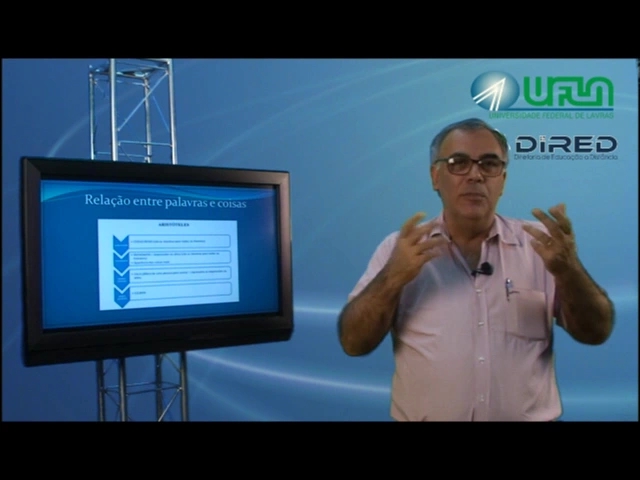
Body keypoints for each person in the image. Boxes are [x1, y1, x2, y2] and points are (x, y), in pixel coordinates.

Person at [337, 117, 615, 421]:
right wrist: (392, 278)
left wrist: (569, 271)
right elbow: (353, 343)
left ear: (502, 180)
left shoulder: (542, 247)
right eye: (458, 163)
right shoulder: (399, 249)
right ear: (435, 176)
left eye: (489, 164)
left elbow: (596, 332)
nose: (475, 175)